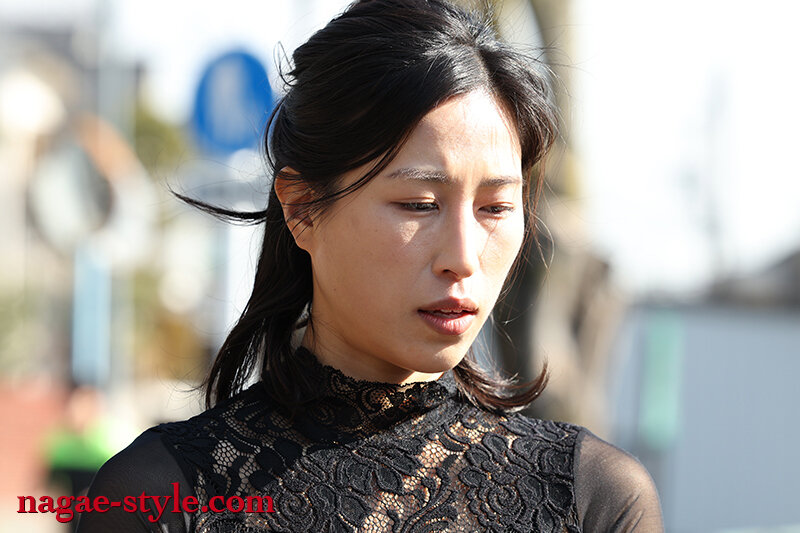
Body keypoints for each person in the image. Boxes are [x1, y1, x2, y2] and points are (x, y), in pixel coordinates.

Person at [78, 0, 663, 531]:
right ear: (303, 208)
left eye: (495, 208)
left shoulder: (594, 498)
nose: (463, 257)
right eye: (420, 205)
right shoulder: (159, 495)